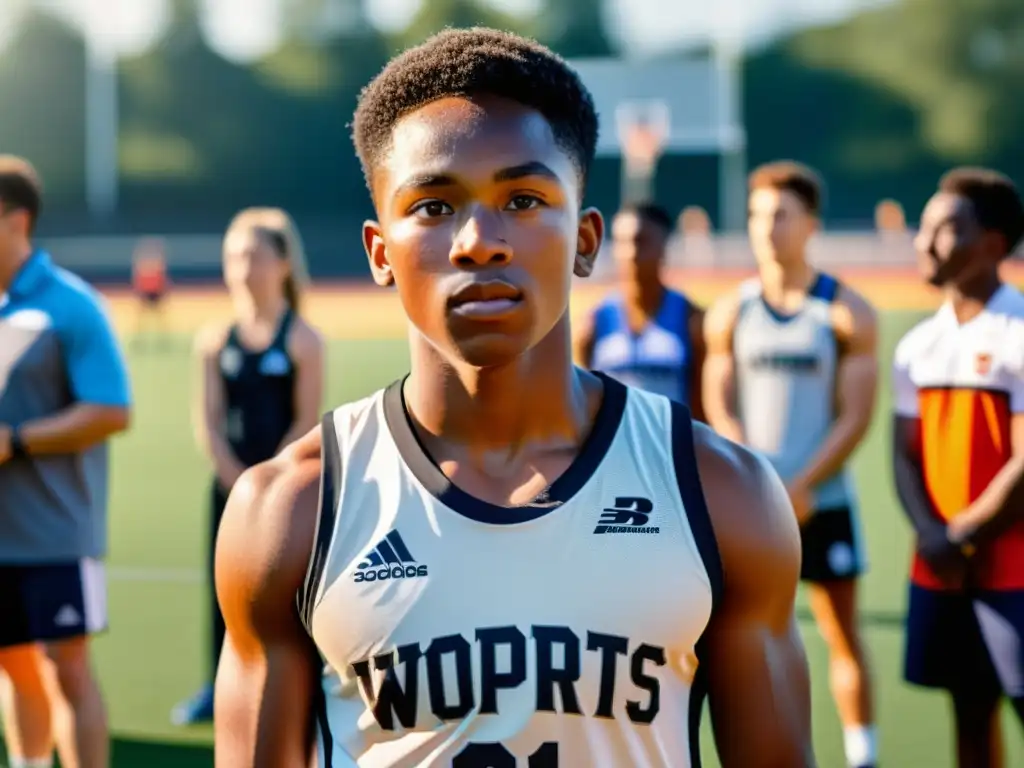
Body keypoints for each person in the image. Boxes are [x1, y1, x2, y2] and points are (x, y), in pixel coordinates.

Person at [212, 28, 815, 767]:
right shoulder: (289, 510)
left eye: (524, 199)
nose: (478, 241)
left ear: (587, 240)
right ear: (380, 253)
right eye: (433, 207)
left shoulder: (723, 493)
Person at [703, 161, 879, 768]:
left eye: (780, 215)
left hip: (822, 503)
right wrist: (760, 483)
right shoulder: (732, 312)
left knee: (842, 635)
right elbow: (719, 404)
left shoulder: (845, 311)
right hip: (754, 508)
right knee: (735, 641)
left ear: (811, 226)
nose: (765, 228)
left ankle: (863, 754)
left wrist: (801, 485)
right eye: (756, 216)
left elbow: (855, 418)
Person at [0, 155, 132, 768]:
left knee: (66, 668)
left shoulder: (70, 305)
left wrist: (17, 440)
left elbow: (110, 409)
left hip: (56, 529)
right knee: (12, 661)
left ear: (16, 219)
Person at [170, 207, 325, 726]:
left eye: (254, 255)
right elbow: (208, 420)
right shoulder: (215, 340)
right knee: (223, 591)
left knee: (286, 597)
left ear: (282, 264)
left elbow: (305, 422)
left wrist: (268, 484)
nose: (242, 267)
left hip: (287, 495)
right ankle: (217, 688)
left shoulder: (303, 339)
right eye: (234, 256)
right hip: (227, 489)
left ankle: (295, 691)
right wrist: (233, 475)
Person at [893, 168, 1024, 767]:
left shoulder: (1018, 333)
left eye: (945, 229)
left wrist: (960, 535)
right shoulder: (917, 345)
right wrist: (931, 535)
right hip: (943, 565)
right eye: (923, 228)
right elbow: (902, 454)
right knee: (969, 716)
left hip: (1010, 571)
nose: (924, 242)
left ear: (994, 244)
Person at [574, 202, 705, 419]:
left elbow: (702, 408)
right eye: (621, 242)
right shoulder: (593, 324)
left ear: (664, 245)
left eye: (641, 241)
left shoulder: (691, 319)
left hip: (671, 448)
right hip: (615, 449)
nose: (631, 252)